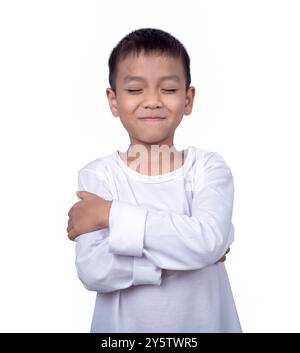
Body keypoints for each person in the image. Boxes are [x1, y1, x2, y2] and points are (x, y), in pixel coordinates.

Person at [67, 28, 242, 333]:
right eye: (135, 90)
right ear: (113, 100)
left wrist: (110, 213)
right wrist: (193, 256)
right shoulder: (98, 175)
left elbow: (207, 240)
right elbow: (93, 269)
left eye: (169, 90)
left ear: (188, 99)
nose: (151, 101)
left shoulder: (209, 168)